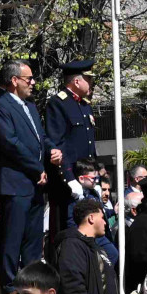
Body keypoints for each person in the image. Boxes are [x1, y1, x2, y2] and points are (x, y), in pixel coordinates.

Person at [0, 60, 47, 284]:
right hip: (15, 180)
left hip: (36, 182)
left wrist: (51, 155)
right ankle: (9, 282)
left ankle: (30, 281)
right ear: (14, 81)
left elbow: (40, 138)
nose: (32, 83)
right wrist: (36, 167)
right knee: (12, 236)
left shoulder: (29, 105)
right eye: (28, 79)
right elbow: (10, 143)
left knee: (33, 236)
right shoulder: (0, 105)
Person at [42, 61, 97, 255]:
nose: (91, 83)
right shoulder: (59, 103)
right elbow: (57, 144)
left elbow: (90, 145)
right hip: (68, 183)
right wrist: (69, 178)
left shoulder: (84, 105)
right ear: (76, 81)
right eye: (88, 79)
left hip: (85, 178)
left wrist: (97, 173)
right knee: (67, 232)